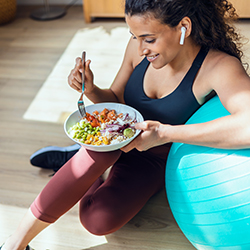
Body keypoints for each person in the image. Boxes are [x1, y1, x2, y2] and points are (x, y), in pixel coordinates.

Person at [2, 0, 250, 249]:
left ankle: (76, 159)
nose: (140, 48)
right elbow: (116, 100)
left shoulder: (219, 67)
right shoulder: (137, 48)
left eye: (148, 39)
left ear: (183, 26)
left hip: (155, 158)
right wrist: (91, 89)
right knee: (100, 154)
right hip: (114, 141)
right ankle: (16, 244)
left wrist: (164, 133)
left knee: (97, 221)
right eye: (134, 36)